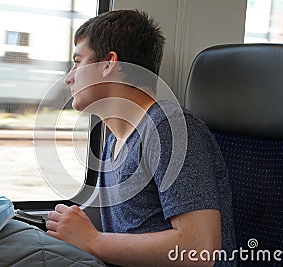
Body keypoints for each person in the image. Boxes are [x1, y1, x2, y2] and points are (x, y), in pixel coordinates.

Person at [46, 10, 236, 267]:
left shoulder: (170, 130)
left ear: (108, 63)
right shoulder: (113, 142)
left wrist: (92, 240)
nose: (69, 77)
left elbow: (199, 249)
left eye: (78, 62)